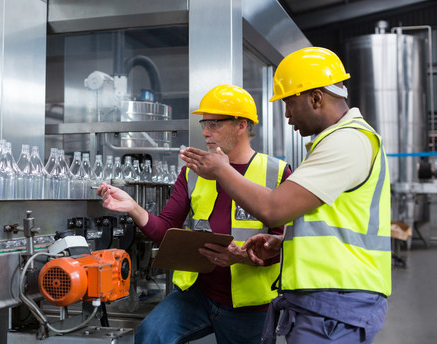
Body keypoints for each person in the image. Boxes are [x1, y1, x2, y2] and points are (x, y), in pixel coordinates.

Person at [180, 47, 391, 344]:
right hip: (326, 302)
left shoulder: (348, 142)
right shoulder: (335, 142)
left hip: (335, 304)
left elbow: (273, 209)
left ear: (316, 98)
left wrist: (222, 171)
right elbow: (331, 224)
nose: (287, 115)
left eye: (290, 103)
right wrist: (284, 244)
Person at [97, 84, 292, 344]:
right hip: (197, 294)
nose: (205, 132)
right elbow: (165, 229)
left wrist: (241, 256)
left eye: (214, 124)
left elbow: (288, 246)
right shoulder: (192, 172)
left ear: (241, 125)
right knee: (151, 334)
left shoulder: (277, 173)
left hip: (250, 304)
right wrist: (133, 207)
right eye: (204, 123)